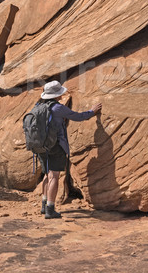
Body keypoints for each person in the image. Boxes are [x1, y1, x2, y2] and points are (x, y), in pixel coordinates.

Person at [37, 80, 102, 219]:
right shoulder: (57, 108)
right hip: (55, 146)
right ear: (56, 95)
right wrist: (92, 111)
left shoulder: (39, 105)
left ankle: (43, 205)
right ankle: (50, 209)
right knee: (54, 176)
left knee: (46, 174)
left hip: (41, 146)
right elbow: (77, 116)